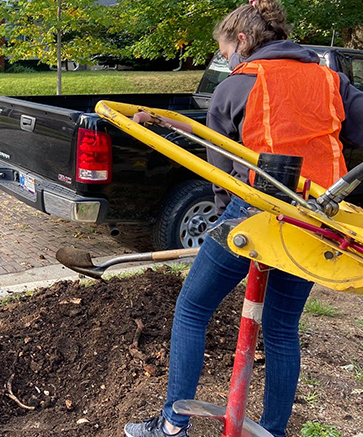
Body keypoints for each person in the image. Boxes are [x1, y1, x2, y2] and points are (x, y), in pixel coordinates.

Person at [124, 1, 363, 437]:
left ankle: (173, 425)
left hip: (255, 210)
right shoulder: (333, 81)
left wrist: (224, 222)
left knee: (193, 308)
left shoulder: (238, 84)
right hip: (316, 219)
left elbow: (222, 167)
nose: (226, 59)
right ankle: (273, 431)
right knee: (282, 327)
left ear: (242, 41)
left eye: (224, 50)